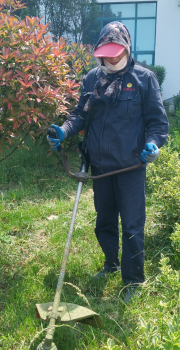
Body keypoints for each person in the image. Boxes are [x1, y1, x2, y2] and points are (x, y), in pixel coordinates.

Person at [47, 22, 169, 303]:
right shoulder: (92, 78)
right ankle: (110, 264)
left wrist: (153, 145)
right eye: (107, 54)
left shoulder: (144, 79)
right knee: (104, 222)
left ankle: (133, 280)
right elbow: (80, 113)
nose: (112, 59)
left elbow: (158, 124)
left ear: (126, 48)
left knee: (132, 225)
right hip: (99, 168)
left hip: (130, 167)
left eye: (117, 53)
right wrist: (64, 130)